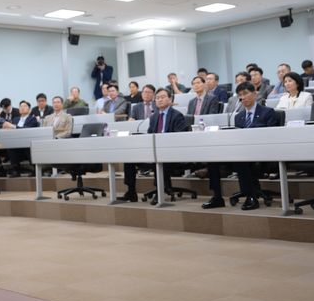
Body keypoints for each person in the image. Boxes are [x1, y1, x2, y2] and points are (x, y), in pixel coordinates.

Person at [202, 82, 279, 211]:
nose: (243, 97)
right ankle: (217, 197)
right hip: (241, 152)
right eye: (240, 95)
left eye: (246, 94)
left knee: (241, 160)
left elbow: (272, 135)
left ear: (254, 94)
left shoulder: (268, 112)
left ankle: (251, 197)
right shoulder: (239, 116)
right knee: (213, 160)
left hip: (263, 154)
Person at [118, 88, 188, 202]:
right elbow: (150, 135)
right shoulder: (154, 116)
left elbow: (179, 138)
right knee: (129, 158)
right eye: (157, 98)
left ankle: (160, 192)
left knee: (160, 157)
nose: (159, 100)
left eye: (163, 97)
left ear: (170, 99)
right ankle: (131, 192)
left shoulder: (177, 115)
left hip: (171, 153)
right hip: (154, 150)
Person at [4, 100, 39, 177]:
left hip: (28, 143)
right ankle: (16, 170)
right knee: (10, 148)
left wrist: (13, 126)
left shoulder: (32, 119)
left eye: (25, 106)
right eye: (21, 106)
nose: (22, 108)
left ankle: (35, 169)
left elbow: (27, 130)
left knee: (27, 147)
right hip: (16, 143)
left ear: (29, 109)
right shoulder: (15, 119)